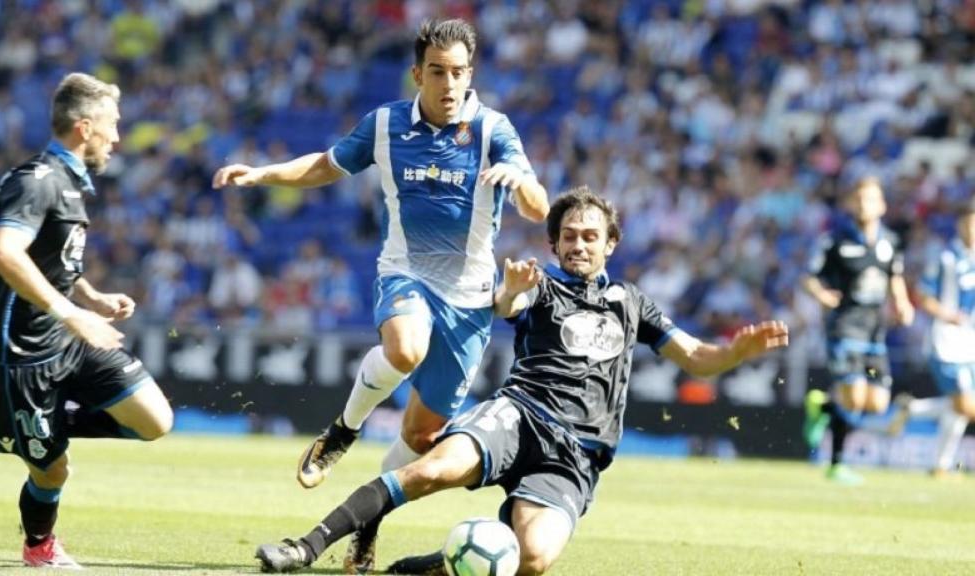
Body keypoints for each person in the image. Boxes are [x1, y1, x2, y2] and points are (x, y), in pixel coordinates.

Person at [253, 187, 789, 575]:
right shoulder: (540, 286)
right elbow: (509, 303)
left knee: (533, 559)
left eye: (590, 237)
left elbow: (696, 357)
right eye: (569, 237)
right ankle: (306, 546)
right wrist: (509, 290)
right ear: (554, 246)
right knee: (434, 469)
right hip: (520, 415)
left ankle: (435, 568)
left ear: (611, 244)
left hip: (576, 456)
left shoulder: (633, 302)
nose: (578, 245)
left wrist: (736, 351)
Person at [213, 18, 548, 572]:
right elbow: (326, 164)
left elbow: (538, 208)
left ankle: (368, 519)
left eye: (459, 73)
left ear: (471, 76)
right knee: (405, 349)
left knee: (423, 432)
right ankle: (343, 429)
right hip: (406, 273)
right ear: (417, 73)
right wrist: (264, 174)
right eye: (437, 72)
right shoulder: (386, 124)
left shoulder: (494, 131)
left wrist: (519, 178)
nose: (448, 84)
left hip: (470, 302)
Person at [0, 72, 174, 569]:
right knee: (52, 473)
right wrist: (72, 313)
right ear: (85, 127)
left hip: (67, 340)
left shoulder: (69, 183)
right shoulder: (35, 181)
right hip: (18, 359)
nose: (119, 137)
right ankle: (39, 548)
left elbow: (51, 262)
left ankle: (46, 426)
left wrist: (91, 297)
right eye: (113, 125)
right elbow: (5, 254)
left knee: (155, 420)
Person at [801, 177, 914, 485]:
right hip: (844, 328)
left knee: (876, 404)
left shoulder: (891, 242)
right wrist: (822, 295)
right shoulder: (835, 240)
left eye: (871, 199)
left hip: (875, 334)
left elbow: (895, 277)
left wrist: (902, 303)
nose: (864, 205)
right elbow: (809, 277)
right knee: (854, 397)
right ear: (851, 204)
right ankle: (836, 464)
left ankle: (822, 405)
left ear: (882, 206)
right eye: (859, 199)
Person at [890, 201, 975, 477]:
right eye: (970, 223)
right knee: (964, 403)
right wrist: (948, 315)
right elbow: (924, 297)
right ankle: (915, 415)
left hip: (970, 344)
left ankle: (939, 463)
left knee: (960, 407)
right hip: (947, 342)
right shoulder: (946, 258)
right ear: (961, 225)